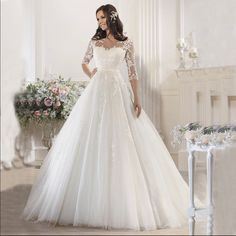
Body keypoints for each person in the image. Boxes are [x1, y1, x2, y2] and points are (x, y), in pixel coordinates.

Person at [21, 4, 192, 231]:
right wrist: (92, 73)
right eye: (98, 19)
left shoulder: (127, 43)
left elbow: (133, 73)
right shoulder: (94, 42)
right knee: (91, 135)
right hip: (97, 90)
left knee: (123, 139)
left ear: (112, 17)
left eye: (102, 17)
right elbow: (84, 62)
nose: (100, 22)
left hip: (118, 91)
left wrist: (137, 99)